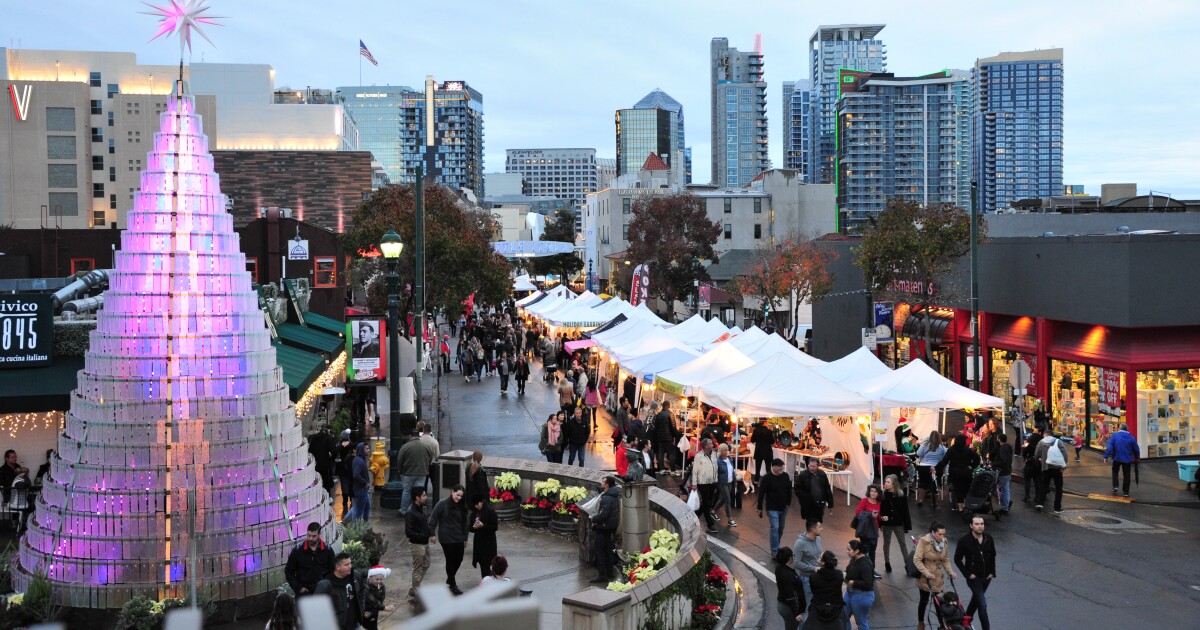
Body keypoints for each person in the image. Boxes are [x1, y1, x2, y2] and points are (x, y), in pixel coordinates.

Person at [954, 515, 997, 630]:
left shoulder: (989, 538)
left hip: (986, 577)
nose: (980, 526)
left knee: (976, 600)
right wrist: (968, 574)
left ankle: (965, 621)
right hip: (974, 578)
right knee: (982, 606)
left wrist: (992, 572)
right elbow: (957, 559)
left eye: (982, 524)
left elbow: (992, 555)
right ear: (971, 526)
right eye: (977, 524)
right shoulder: (964, 540)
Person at [914, 521, 957, 630]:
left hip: (938, 577)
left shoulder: (944, 542)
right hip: (925, 577)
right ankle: (921, 623)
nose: (942, 537)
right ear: (933, 532)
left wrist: (950, 572)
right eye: (940, 534)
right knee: (924, 601)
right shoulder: (924, 542)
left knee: (939, 603)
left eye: (944, 534)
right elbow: (917, 560)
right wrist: (927, 573)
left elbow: (945, 559)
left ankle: (942, 625)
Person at [429, 484, 470, 595]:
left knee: (459, 559)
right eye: (457, 495)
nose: (459, 498)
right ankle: (452, 583)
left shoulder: (462, 506)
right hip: (446, 537)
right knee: (450, 560)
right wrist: (432, 534)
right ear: (452, 492)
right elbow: (433, 518)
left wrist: (465, 537)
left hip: (459, 537)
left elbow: (465, 523)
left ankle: (450, 577)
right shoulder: (442, 504)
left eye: (461, 496)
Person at [314, 552, 363, 630]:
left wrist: (361, 610)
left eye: (350, 563)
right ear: (337, 567)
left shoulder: (355, 576)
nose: (350, 566)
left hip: (355, 625)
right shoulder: (326, 584)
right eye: (346, 565)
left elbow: (361, 593)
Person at [284, 522, 334, 597]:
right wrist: (298, 587)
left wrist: (325, 585)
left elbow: (332, 570)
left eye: (314, 536)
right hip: (303, 593)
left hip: (321, 592)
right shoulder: (298, 550)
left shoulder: (328, 550)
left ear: (319, 535)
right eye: (308, 535)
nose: (310, 538)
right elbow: (288, 571)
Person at [757, 458, 793, 555]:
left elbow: (789, 490)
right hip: (772, 508)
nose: (781, 468)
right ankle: (774, 550)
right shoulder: (766, 478)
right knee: (775, 527)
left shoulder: (785, 476)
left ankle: (776, 544)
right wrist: (759, 507)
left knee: (781, 528)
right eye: (779, 466)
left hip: (783, 507)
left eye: (782, 466)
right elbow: (761, 493)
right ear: (773, 467)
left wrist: (788, 503)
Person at [804, 551, 848, 630]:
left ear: (823, 562)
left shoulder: (814, 576)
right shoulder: (839, 574)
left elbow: (814, 590)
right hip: (836, 609)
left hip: (818, 608)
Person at [590, 476, 622, 583]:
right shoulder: (613, 494)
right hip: (610, 528)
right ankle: (610, 572)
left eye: (603, 482)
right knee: (608, 549)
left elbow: (603, 515)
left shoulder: (607, 498)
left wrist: (593, 519)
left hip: (604, 527)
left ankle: (602, 574)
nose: (601, 483)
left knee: (599, 550)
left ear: (607, 484)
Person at [878, 474, 912, 574]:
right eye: (885, 482)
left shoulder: (901, 495)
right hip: (887, 523)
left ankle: (907, 564)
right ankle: (887, 563)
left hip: (898, 523)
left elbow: (905, 511)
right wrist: (880, 523)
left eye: (888, 482)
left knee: (903, 543)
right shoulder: (883, 495)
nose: (885, 484)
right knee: (886, 543)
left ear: (894, 483)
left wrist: (906, 526)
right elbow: (880, 509)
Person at [397, 429, 434, 517]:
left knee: (406, 491)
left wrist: (400, 470)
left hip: (407, 473)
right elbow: (430, 457)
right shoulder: (425, 446)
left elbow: (399, 460)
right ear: (419, 436)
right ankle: (417, 510)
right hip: (421, 473)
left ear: (411, 436)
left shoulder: (405, 446)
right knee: (419, 492)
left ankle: (403, 510)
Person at [405, 486, 432, 601]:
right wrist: (423, 536)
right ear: (417, 498)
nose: (426, 497)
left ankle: (413, 588)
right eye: (424, 495)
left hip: (424, 543)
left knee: (426, 564)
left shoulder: (420, 508)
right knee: (418, 568)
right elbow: (409, 532)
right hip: (417, 545)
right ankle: (416, 591)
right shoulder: (411, 512)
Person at [843, 539, 876, 630]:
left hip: (862, 595)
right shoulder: (854, 559)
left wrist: (852, 582)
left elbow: (868, 583)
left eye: (849, 549)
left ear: (857, 551)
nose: (847, 552)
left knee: (861, 622)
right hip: (850, 593)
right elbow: (849, 570)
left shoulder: (865, 564)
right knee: (843, 616)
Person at [852, 484, 883, 579]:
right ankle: (861, 570)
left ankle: (871, 570)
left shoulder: (879, 503)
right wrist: (870, 514)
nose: (873, 493)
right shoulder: (864, 501)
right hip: (865, 530)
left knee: (873, 551)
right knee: (865, 551)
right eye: (871, 491)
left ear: (878, 493)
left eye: (875, 491)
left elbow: (878, 516)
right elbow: (858, 513)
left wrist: (882, 518)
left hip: (874, 530)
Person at [1034, 432, 1069, 514]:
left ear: (1045, 435)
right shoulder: (1058, 441)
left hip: (1046, 468)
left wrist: (1041, 457)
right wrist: (1064, 464)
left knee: (1044, 485)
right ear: (1052, 435)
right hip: (1057, 468)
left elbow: (1036, 454)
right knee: (1059, 488)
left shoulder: (1041, 442)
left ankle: (1040, 503)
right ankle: (1057, 508)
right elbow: (1065, 453)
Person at [791, 518, 823, 608]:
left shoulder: (818, 539)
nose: (822, 529)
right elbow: (796, 563)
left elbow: (818, 556)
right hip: (806, 580)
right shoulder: (800, 543)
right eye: (820, 527)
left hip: (818, 578)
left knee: (817, 606)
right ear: (813, 530)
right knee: (807, 607)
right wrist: (814, 568)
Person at [944, 434, 980, 513]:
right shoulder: (968, 450)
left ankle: (960, 507)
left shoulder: (951, 449)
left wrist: (937, 468)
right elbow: (977, 458)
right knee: (965, 489)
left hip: (955, 473)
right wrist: (972, 466)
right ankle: (965, 505)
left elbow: (945, 461)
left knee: (957, 489)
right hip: (966, 472)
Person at [774, 547, 807, 630]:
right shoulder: (788, 575)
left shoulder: (779, 568)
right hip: (788, 608)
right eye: (793, 556)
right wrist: (796, 613)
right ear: (790, 558)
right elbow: (791, 596)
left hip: (783, 605)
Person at [692, 438, 720, 533]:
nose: (712, 445)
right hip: (703, 482)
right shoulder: (699, 456)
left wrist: (716, 479)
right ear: (706, 446)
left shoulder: (713, 454)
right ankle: (710, 524)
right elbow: (695, 471)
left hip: (712, 482)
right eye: (710, 444)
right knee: (707, 503)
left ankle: (694, 517)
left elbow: (715, 467)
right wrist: (694, 484)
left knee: (707, 503)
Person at [794, 458, 834, 523]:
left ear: (818, 466)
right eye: (810, 466)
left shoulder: (822, 474)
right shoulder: (803, 475)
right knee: (811, 523)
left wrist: (830, 503)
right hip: (808, 505)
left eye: (814, 466)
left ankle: (815, 533)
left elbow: (827, 488)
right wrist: (805, 499)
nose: (812, 468)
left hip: (820, 504)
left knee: (819, 522)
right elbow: (797, 490)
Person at [1104, 422, 1138, 497]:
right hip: (1127, 459)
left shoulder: (1114, 436)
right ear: (1127, 429)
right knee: (1126, 475)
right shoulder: (1131, 437)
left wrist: (1106, 456)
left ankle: (1115, 486)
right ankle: (1126, 492)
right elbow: (1136, 449)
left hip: (1117, 457)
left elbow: (1109, 447)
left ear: (1120, 428)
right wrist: (1137, 457)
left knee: (1115, 471)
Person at [915, 431, 947, 508]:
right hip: (936, 467)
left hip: (923, 467)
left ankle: (920, 500)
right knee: (936, 484)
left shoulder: (924, 445)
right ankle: (935, 503)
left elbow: (918, 453)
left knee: (922, 484)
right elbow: (945, 457)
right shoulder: (942, 447)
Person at [471, 497, 499, 579]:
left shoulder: (490, 511)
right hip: (479, 542)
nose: (476, 506)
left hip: (488, 543)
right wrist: (474, 527)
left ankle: (488, 582)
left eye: (477, 504)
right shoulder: (475, 511)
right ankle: (488, 581)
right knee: (483, 565)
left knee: (486, 565)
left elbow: (494, 527)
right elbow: (470, 527)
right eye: (475, 505)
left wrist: (483, 526)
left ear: (481, 502)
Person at [361, 565, 396, 630]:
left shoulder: (381, 586)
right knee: (365, 624)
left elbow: (381, 599)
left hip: (374, 610)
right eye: (377, 579)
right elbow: (372, 600)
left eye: (381, 579)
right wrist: (385, 608)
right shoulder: (365, 587)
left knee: (373, 623)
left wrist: (372, 612)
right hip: (364, 610)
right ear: (370, 577)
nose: (379, 581)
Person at [307, 429, 335, 503]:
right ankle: (327, 497)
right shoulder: (328, 439)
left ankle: (317, 497)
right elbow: (333, 450)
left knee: (316, 481)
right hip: (325, 464)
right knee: (326, 481)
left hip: (316, 464)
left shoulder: (314, 439)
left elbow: (310, 450)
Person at [345, 442, 372, 522]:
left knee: (366, 507)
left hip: (361, 490)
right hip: (360, 490)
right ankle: (357, 530)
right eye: (366, 449)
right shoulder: (359, 461)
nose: (368, 450)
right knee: (358, 511)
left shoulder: (359, 459)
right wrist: (365, 483)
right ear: (361, 450)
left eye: (368, 448)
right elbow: (356, 475)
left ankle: (364, 525)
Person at [653, 401, 679, 475]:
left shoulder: (658, 415)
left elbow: (656, 427)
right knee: (671, 454)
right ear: (668, 406)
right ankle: (673, 470)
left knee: (661, 453)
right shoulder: (670, 414)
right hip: (669, 437)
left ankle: (662, 469)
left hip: (660, 438)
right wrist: (676, 435)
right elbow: (673, 427)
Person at [713, 443, 737, 527]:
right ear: (720, 451)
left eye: (727, 449)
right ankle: (730, 519)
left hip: (730, 482)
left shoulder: (730, 459)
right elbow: (715, 472)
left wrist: (735, 480)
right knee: (728, 499)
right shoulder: (718, 461)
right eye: (724, 450)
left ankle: (713, 511)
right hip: (722, 483)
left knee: (723, 499)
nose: (726, 451)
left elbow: (732, 471)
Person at [334, 431, 356, 517]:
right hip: (349, 468)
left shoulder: (340, 445)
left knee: (344, 484)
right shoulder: (351, 445)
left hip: (342, 468)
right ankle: (351, 500)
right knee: (350, 484)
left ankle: (345, 501)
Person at [992, 433, 1014, 514]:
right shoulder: (1008, 448)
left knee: (996, 489)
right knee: (1005, 489)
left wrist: (994, 464)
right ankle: (1006, 503)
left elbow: (1002, 460)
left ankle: (1006, 504)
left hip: (1002, 472)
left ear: (999, 439)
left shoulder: (1002, 449)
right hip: (1007, 471)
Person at [1021, 429, 1043, 504]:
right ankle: (1037, 497)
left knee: (1027, 481)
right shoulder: (1041, 446)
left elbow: (1024, 453)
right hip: (1038, 464)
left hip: (1029, 464)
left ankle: (1027, 496)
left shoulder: (1030, 445)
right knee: (1037, 481)